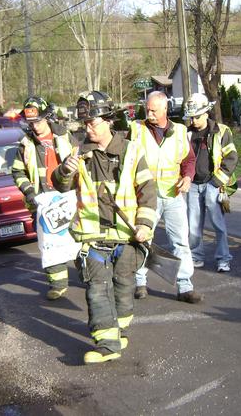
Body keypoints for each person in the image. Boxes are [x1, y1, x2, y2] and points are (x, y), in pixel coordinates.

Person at [52, 90, 156, 364]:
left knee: (123, 287)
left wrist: (144, 224)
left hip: (127, 238)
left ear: (108, 120)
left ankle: (119, 330)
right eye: (84, 124)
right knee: (96, 289)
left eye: (93, 123)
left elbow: (147, 189)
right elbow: (60, 185)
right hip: (93, 239)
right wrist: (65, 170)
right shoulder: (78, 154)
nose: (88, 128)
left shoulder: (131, 151)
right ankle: (107, 345)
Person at [128, 91, 202, 303]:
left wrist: (187, 178)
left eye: (153, 110)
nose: (149, 113)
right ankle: (140, 282)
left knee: (180, 241)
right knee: (142, 238)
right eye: (147, 109)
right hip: (145, 196)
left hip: (172, 195)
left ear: (165, 109)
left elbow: (189, 160)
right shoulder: (136, 130)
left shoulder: (179, 131)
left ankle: (185, 286)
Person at [12, 96, 77, 300]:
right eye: (31, 122)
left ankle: (88, 274)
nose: (35, 126)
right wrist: (31, 193)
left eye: (38, 121)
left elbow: (80, 161)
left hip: (68, 195)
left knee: (78, 237)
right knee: (49, 244)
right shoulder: (25, 143)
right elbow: (17, 172)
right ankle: (57, 284)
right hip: (41, 200)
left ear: (47, 118)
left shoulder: (65, 136)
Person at [183, 93, 238, 272]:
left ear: (206, 112)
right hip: (192, 185)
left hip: (212, 184)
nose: (194, 120)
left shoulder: (221, 131)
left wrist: (217, 181)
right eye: (191, 117)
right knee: (193, 226)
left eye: (197, 116)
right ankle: (196, 256)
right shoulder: (186, 134)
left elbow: (231, 157)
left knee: (218, 225)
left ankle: (224, 259)